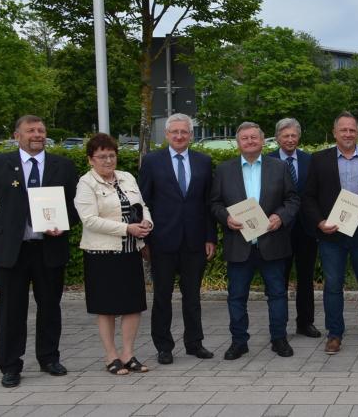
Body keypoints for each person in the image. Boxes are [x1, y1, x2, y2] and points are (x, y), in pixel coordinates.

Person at [0, 115, 78, 388]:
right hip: (12, 251)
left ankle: (48, 358)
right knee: (11, 311)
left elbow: (76, 207)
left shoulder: (63, 166)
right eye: (30, 130)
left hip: (49, 248)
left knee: (50, 308)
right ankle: (10, 366)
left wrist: (62, 225)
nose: (37, 134)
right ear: (16, 135)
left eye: (41, 130)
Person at [210, 122, 300, 360]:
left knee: (278, 294)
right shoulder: (224, 170)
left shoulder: (279, 167)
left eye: (254, 138)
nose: (249, 141)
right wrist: (225, 218)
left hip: (272, 242)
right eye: (244, 138)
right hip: (239, 244)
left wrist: (280, 217)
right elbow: (215, 203)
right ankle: (239, 342)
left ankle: (279, 339)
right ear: (238, 143)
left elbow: (293, 200)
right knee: (237, 296)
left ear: (263, 141)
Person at [301, 111, 358, 355]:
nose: (348, 134)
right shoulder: (319, 160)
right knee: (333, 286)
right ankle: (334, 334)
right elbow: (308, 196)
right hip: (333, 234)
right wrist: (319, 222)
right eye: (343, 130)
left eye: (352, 130)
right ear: (335, 132)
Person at [138, 114, 216, 365]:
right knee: (162, 296)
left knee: (192, 296)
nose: (180, 136)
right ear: (167, 135)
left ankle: (194, 343)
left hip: (194, 240)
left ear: (191, 136)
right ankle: (164, 346)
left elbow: (208, 203)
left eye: (184, 132)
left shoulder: (204, 162)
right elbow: (143, 203)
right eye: (175, 132)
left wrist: (210, 237)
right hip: (162, 241)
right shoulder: (151, 162)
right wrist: (145, 241)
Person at [74, 133, 153, 375]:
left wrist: (147, 223)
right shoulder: (86, 183)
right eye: (102, 156)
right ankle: (111, 355)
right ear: (91, 159)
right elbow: (89, 220)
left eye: (112, 155)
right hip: (102, 253)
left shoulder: (127, 177)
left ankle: (128, 353)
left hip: (130, 251)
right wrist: (126, 228)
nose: (108, 161)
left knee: (132, 305)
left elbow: (142, 206)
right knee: (106, 307)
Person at [267, 117, 321, 338]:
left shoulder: (311, 160)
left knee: (306, 278)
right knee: (279, 278)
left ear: (299, 137)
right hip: (278, 229)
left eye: (293, 135)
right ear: (278, 137)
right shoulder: (267, 161)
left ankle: (305, 322)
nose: (290, 139)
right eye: (285, 135)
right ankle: (279, 326)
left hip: (306, 229)